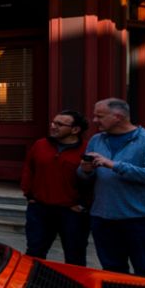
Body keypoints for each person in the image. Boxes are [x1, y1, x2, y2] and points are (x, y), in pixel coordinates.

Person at [77, 98, 145, 277]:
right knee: (112, 272)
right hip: (104, 217)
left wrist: (114, 165)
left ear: (118, 116)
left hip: (142, 218)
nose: (95, 120)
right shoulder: (97, 140)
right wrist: (85, 170)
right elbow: (84, 177)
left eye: (99, 116)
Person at [22, 109, 91, 267]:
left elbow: (94, 179)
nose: (53, 126)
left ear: (75, 129)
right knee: (34, 252)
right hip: (40, 209)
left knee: (75, 256)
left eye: (60, 124)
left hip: (72, 212)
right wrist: (29, 195)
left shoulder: (86, 150)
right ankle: (31, 287)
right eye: (53, 123)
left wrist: (83, 204)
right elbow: (28, 169)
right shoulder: (40, 145)